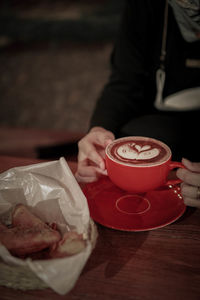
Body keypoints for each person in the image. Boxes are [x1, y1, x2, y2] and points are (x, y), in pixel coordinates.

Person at [76, 0, 200, 208]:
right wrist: (98, 129)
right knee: (129, 138)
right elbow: (125, 81)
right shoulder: (146, 5)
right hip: (163, 122)